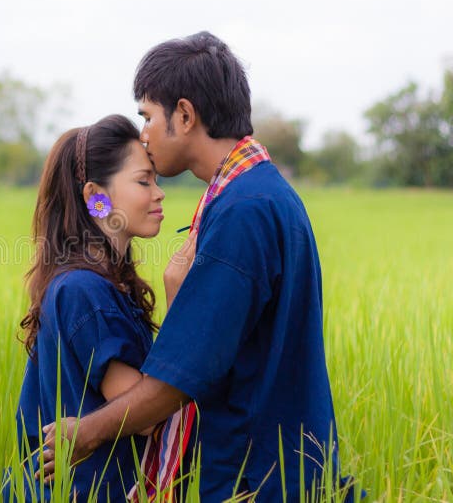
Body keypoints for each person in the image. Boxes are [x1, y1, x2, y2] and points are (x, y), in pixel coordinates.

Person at [40, 32, 359, 502]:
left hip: (258, 475)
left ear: (185, 115)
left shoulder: (242, 211)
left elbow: (182, 376)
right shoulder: (257, 194)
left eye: (147, 116)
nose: (144, 134)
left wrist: (87, 433)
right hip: (272, 465)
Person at [2, 114, 170, 502]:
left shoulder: (92, 284)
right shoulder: (83, 290)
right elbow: (149, 416)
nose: (159, 193)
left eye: (156, 180)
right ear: (96, 196)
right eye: (144, 181)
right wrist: (180, 295)